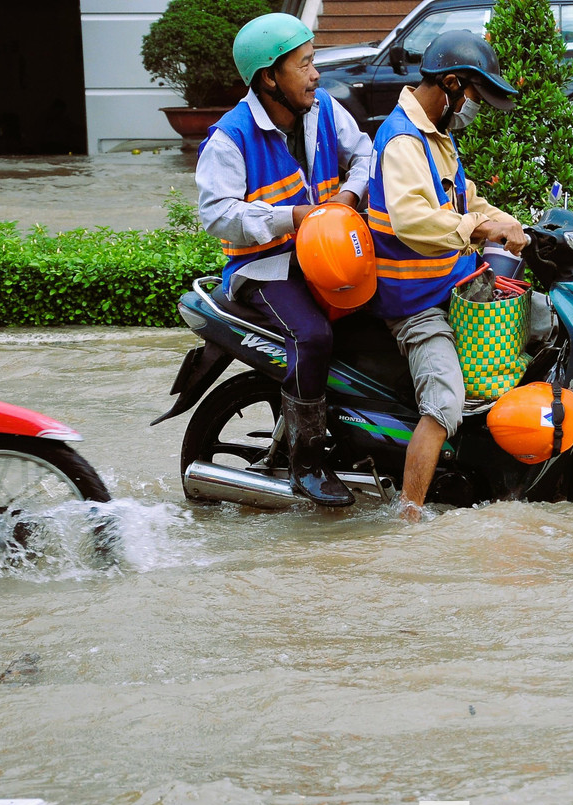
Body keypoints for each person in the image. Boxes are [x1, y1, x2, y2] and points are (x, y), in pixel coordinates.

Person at [197, 13, 373, 506]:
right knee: (312, 337)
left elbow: (365, 155)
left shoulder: (324, 112)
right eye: (305, 64)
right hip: (264, 269)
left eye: (314, 62)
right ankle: (307, 463)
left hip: (327, 258)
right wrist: (290, 217)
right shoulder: (230, 137)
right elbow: (217, 216)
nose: (316, 74)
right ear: (269, 77)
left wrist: (349, 199)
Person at [366, 30, 528, 520]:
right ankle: (410, 515)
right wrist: (481, 229)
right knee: (444, 402)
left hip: (451, 287)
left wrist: (515, 223)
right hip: (416, 305)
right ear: (452, 84)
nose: (474, 108)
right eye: (474, 96)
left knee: (541, 327)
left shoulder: (438, 136)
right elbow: (413, 218)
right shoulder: (402, 142)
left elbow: (467, 198)